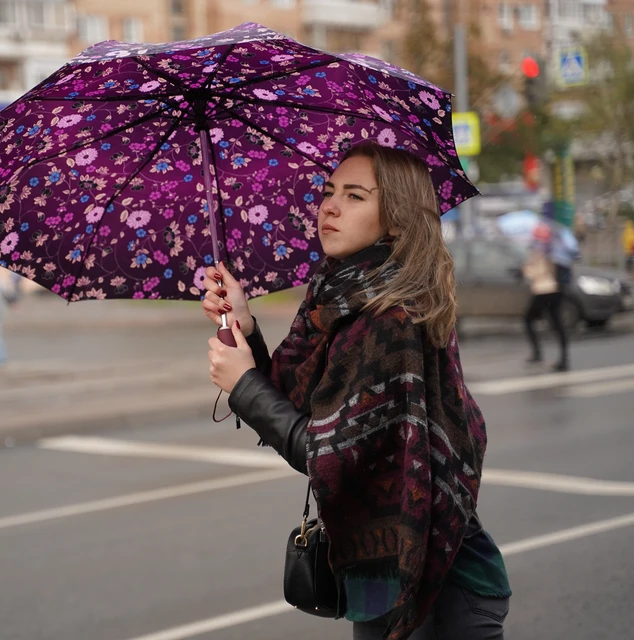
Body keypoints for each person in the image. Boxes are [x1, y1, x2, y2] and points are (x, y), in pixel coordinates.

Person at [202, 143, 511, 640]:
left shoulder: (392, 316)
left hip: (434, 588)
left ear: (396, 219)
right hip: (384, 580)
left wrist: (244, 385)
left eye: (354, 195)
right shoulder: (341, 299)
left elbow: (329, 453)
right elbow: (308, 403)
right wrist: (246, 326)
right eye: (329, 192)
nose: (329, 206)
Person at [522, 223, 569, 372]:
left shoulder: (540, 251)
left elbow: (534, 273)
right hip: (557, 290)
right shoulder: (556, 249)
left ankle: (538, 353)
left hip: (544, 290)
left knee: (528, 319)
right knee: (557, 324)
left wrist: (526, 269)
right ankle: (564, 358)